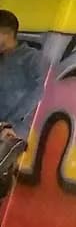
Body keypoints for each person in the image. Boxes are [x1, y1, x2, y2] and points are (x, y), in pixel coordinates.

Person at [0, 10, 48, 182]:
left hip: (14, 130)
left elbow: (37, 91)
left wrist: (10, 124)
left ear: (7, 33)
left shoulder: (30, 57)